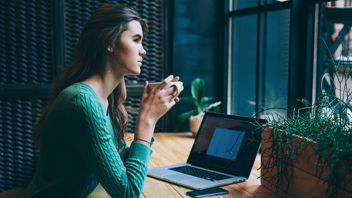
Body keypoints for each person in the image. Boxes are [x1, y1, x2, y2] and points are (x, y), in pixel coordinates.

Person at [21, 4, 182, 198]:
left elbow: (118, 165)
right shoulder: (82, 102)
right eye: (136, 40)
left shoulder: (106, 99)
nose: (143, 51)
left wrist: (151, 116)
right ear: (109, 42)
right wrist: (147, 120)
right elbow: (128, 193)